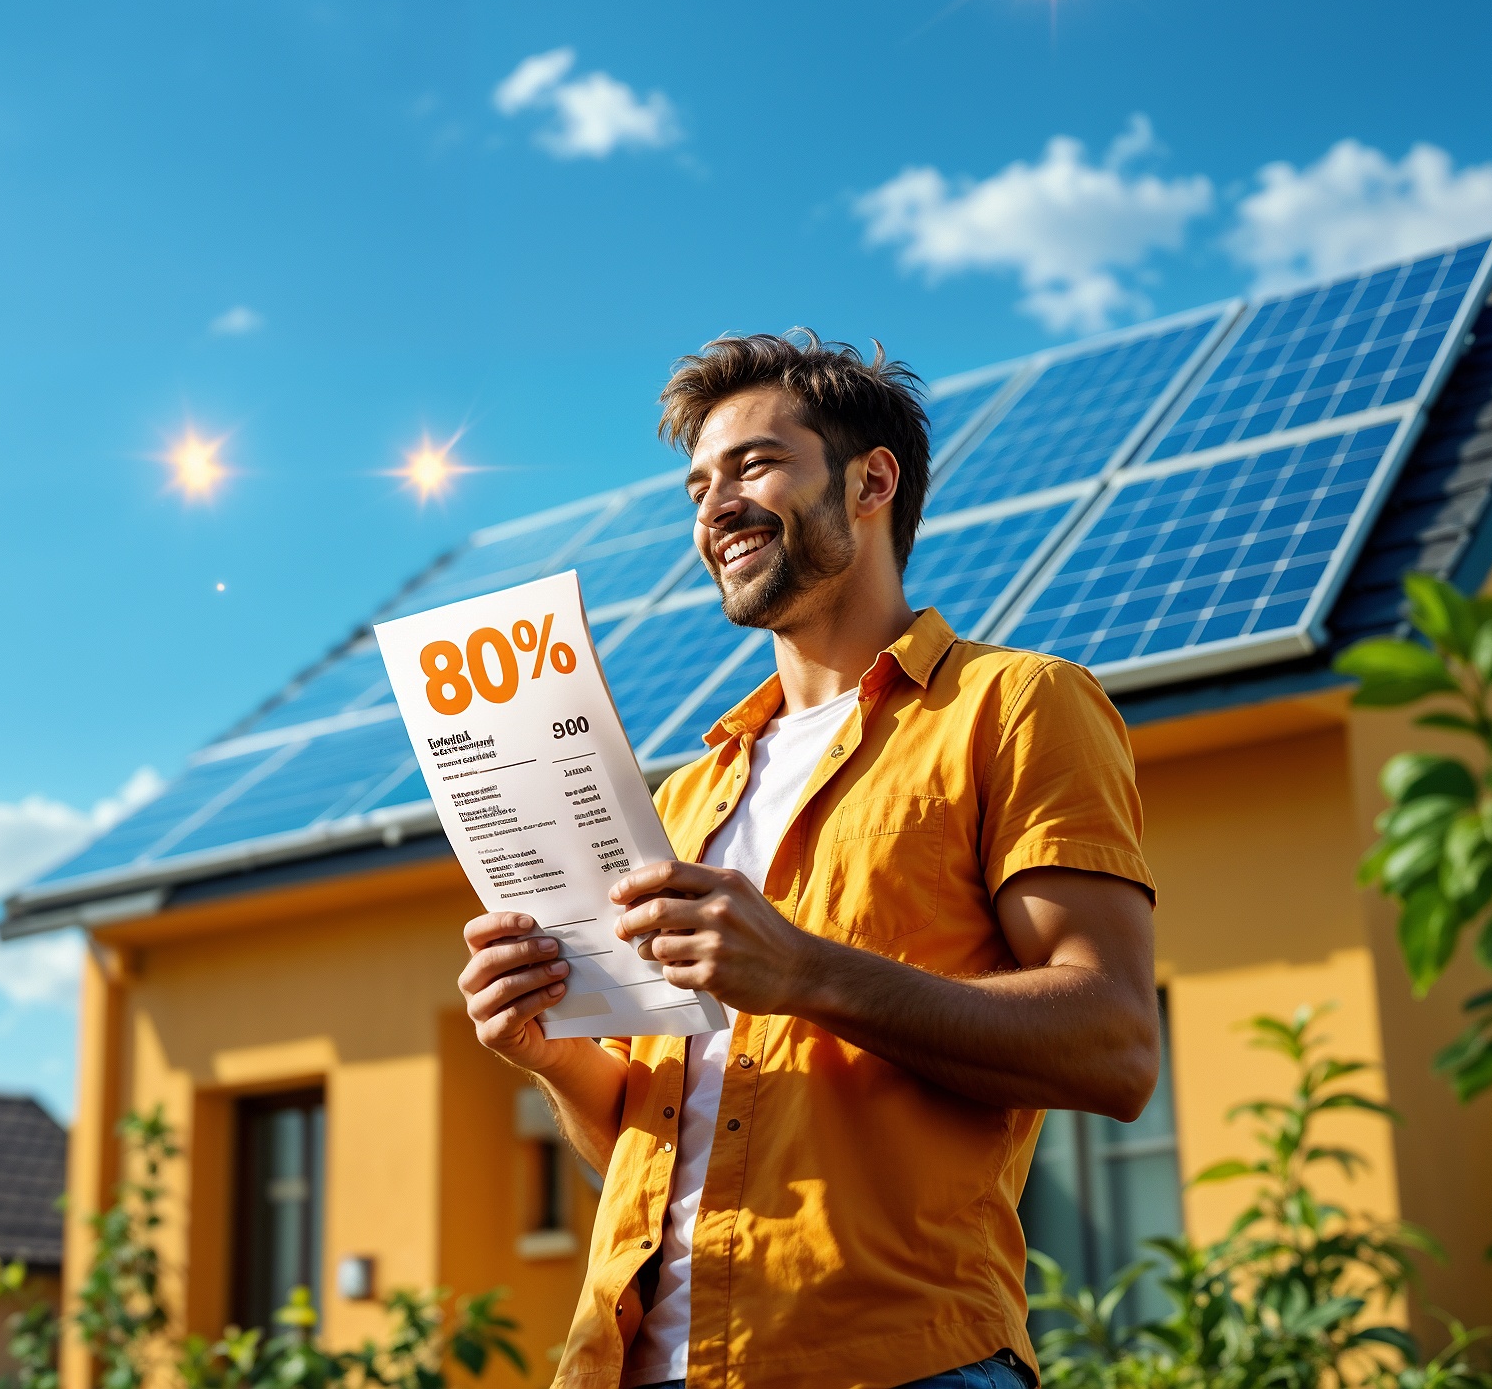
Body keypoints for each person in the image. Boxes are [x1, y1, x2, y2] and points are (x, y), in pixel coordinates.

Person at [457, 335, 1160, 1389]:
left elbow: (1112, 1043)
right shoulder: (678, 802)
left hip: (899, 1361)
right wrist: (551, 1054)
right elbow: (655, 1152)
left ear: (870, 478)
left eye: (751, 464)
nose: (713, 506)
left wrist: (805, 972)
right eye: (697, 483)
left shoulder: (1014, 706)